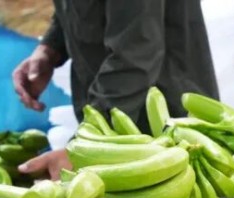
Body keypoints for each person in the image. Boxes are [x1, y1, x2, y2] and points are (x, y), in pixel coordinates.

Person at [13, 0, 220, 179]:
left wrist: (84, 149)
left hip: (167, 130)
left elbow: (135, 56)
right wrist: (50, 49)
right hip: (118, 131)